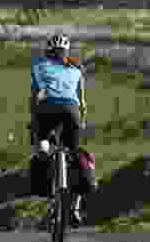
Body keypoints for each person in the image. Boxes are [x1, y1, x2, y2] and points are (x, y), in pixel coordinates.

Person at [29, 33, 97, 227]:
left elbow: (34, 99)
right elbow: (82, 103)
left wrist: (35, 122)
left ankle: (51, 198)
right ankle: (75, 208)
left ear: (48, 52)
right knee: (74, 154)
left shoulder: (39, 67)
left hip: (47, 110)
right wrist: (81, 121)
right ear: (67, 52)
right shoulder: (77, 69)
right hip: (71, 112)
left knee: (43, 147)